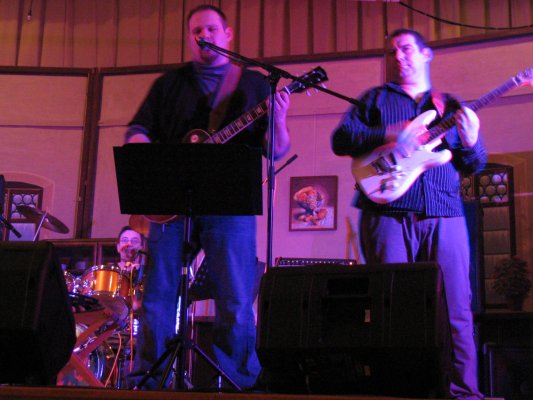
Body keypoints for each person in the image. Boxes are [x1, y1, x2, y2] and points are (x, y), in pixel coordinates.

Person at [124, 4, 291, 390]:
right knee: (158, 295)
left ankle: (239, 382)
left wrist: (280, 118)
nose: (204, 35)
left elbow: (277, 150)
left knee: (235, 296)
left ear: (227, 35)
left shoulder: (253, 84)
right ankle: (149, 381)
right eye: (197, 30)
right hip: (171, 205)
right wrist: (145, 153)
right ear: (189, 37)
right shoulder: (170, 84)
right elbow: (138, 129)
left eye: (212, 29)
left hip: (230, 204)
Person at [331, 29, 486, 400]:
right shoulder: (375, 99)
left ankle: (464, 392)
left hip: (444, 212)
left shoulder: (450, 105)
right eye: (391, 51)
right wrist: (390, 133)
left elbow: (474, 164)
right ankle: (399, 390)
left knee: (456, 307)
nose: (397, 56)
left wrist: (470, 141)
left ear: (426, 54)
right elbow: (341, 139)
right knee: (391, 305)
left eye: (405, 49)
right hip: (385, 214)